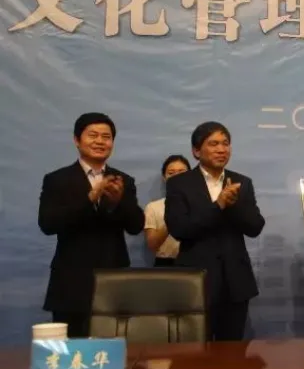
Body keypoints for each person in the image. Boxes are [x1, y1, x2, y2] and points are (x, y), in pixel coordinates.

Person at [38, 112, 145, 338]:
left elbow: (136, 226)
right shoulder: (57, 180)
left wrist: (118, 203)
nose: (100, 141)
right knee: (74, 350)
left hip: (113, 277)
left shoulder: (123, 180)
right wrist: (89, 199)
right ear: (77, 140)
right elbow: (47, 224)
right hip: (71, 280)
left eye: (106, 137)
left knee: (113, 347)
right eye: (93, 135)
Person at [165, 122, 265, 341]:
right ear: (196, 151)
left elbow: (255, 227)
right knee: (195, 350)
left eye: (225, 143)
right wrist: (218, 205)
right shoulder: (179, 184)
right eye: (213, 144)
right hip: (196, 280)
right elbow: (179, 229)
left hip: (236, 281)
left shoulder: (242, 182)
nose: (221, 149)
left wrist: (234, 205)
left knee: (232, 350)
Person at [144, 155, 191, 267]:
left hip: (194, 263)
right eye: (171, 173)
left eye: (182, 172)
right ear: (164, 178)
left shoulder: (199, 204)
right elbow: (152, 245)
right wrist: (171, 219)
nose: (176, 176)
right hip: (165, 264)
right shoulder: (153, 207)